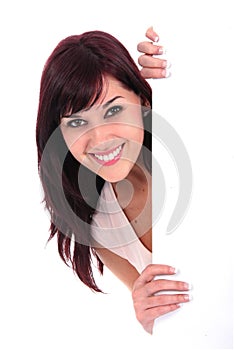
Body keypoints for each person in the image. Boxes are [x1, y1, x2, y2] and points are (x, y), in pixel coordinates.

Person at [36, 27, 190, 335]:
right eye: (77, 122)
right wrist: (149, 317)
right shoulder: (100, 229)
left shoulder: (189, 154)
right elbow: (176, 320)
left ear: (144, 101)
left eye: (114, 110)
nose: (101, 139)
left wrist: (181, 60)